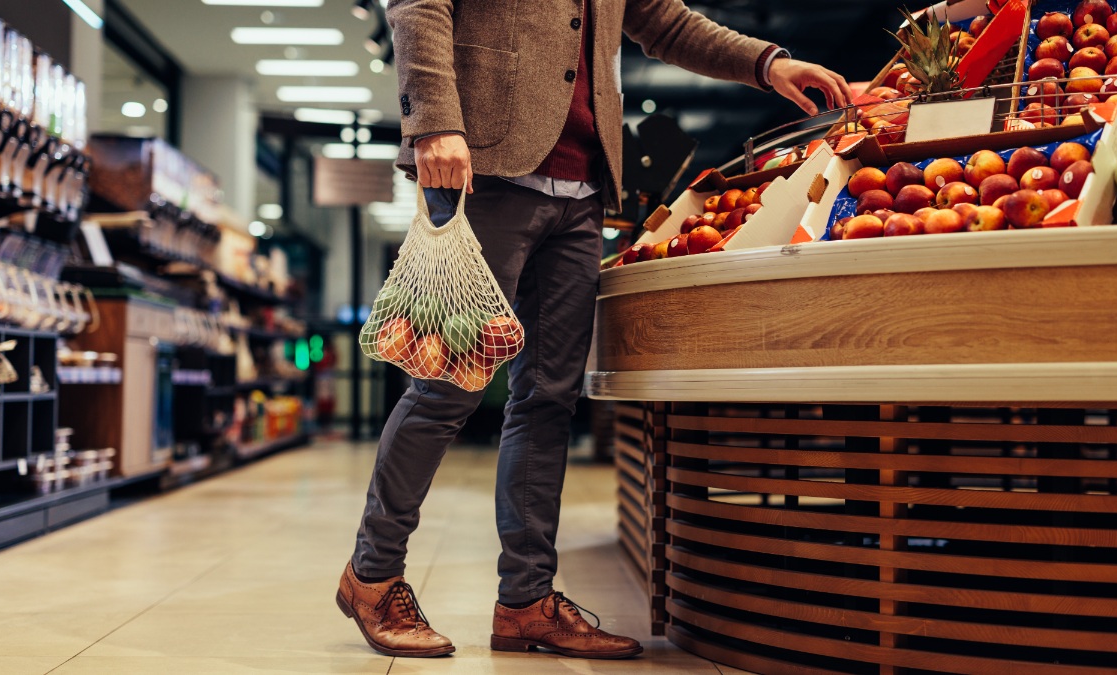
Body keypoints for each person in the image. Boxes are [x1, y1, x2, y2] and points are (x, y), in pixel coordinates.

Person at [336, 0, 851, 660]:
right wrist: (433, 120)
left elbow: (663, 21)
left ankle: (525, 600)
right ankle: (372, 574)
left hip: (583, 188)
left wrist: (768, 62)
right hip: (484, 169)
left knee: (549, 399)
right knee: (447, 388)